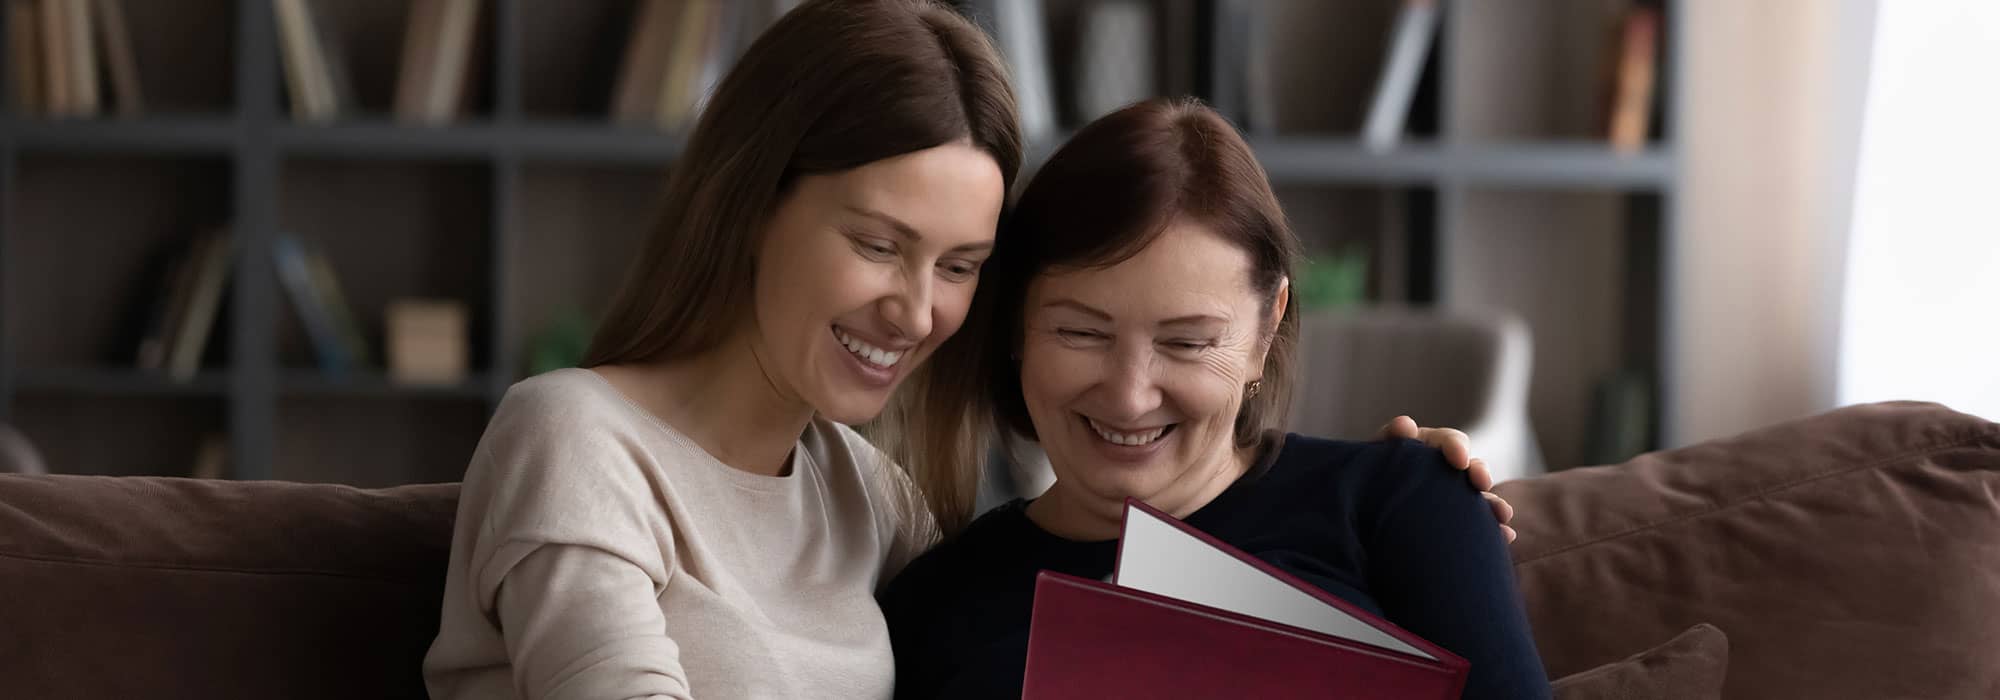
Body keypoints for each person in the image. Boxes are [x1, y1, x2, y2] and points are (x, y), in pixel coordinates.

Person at [425, 1, 1511, 697]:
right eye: (877, 244)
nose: (914, 310)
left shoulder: (876, 506)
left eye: (957, 265)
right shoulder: (575, 436)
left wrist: (1409, 493)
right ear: (747, 205)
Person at [880, 98, 1551, 699]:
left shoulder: (1403, 504)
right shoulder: (931, 606)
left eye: (1187, 343)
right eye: (1081, 332)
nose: (1130, 394)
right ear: (1017, 328)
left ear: (1267, 327)